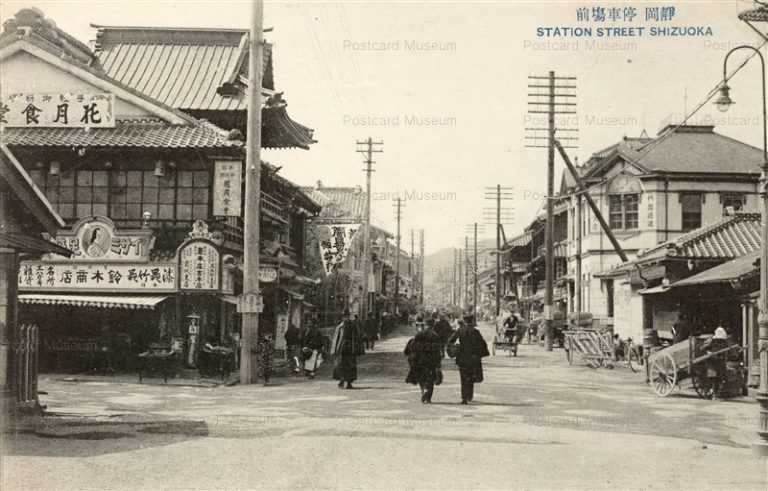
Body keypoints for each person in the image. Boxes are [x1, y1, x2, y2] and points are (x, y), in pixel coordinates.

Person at [447, 315, 489, 404]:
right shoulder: (476, 332)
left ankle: (464, 398)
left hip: (462, 357)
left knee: (463, 378)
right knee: (471, 377)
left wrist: (455, 348)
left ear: (464, 321)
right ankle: (469, 395)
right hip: (473, 358)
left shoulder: (460, 330)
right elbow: (482, 344)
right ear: (472, 321)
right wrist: (479, 354)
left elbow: (451, 341)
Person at [404, 319, 443, 403]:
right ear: (433, 325)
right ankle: (428, 396)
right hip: (432, 360)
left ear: (425, 324)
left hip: (420, 360)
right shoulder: (435, 335)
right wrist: (438, 362)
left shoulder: (419, 334)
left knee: (421, 377)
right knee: (431, 378)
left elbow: (413, 346)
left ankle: (423, 391)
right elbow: (438, 350)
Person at [332, 309, 365, 389]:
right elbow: (336, 338)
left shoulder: (353, 325)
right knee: (340, 365)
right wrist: (334, 349)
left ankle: (349, 382)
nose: (345, 318)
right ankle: (342, 380)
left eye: (346, 316)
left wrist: (357, 348)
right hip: (341, 348)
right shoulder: (340, 326)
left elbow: (357, 337)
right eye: (344, 316)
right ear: (342, 317)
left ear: (349, 316)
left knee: (351, 365)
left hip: (350, 348)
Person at [703, 326, 729, 400]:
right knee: (713, 378)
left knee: (719, 378)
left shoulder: (724, 342)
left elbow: (725, 352)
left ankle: (715, 394)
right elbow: (703, 349)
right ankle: (713, 394)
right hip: (711, 362)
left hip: (719, 362)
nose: (720, 341)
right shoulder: (711, 341)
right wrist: (709, 352)